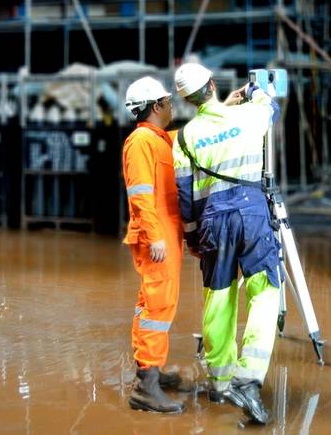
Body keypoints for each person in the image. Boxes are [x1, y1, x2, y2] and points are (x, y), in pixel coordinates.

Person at [172, 63, 282, 424]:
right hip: (251, 213)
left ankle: (220, 385)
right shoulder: (249, 116)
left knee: (219, 298)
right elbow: (271, 106)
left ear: (187, 100)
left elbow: (186, 198)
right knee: (265, 291)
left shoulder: (184, 137)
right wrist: (252, 92)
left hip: (212, 223)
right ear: (214, 85)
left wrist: (191, 238)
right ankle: (248, 380)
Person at [122, 76, 185, 414]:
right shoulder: (141, 142)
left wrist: (227, 107)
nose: (172, 106)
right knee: (157, 309)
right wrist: (154, 234)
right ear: (157, 106)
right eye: (168, 101)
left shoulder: (159, 140)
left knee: (152, 305)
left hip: (165, 233)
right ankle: (146, 386)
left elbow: (187, 139)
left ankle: (152, 371)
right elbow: (140, 194)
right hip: (156, 236)